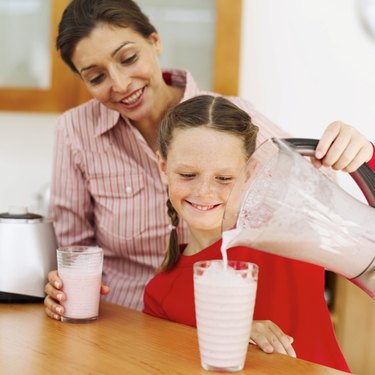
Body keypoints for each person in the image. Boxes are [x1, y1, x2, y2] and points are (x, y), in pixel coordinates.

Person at [44, 0, 375, 331]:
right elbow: (73, 249)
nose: (119, 83)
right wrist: (62, 286)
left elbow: (317, 188)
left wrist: (353, 150)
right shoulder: (76, 130)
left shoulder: (227, 120)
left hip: (220, 320)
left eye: (128, 58)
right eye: (97, 76)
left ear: (155, 42)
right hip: (119, 321)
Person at [143, 94, 374, 372]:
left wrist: (366, 155)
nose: (204, 191)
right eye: (188, 175)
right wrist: (221, 334)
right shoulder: (160, 294)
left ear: (250, 173)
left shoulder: (288, 233)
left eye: (224, 178)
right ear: (163, 167)